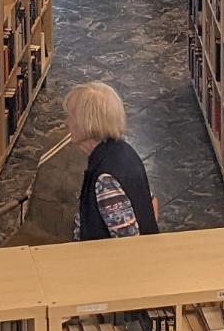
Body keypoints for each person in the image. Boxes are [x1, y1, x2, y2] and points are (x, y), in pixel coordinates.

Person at [65, 81, 158, 240]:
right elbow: (152, 201)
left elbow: (128, 241)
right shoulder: (124, 150)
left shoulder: (105, 178)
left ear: (87, 123)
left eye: (71, 117)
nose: (66, 122)